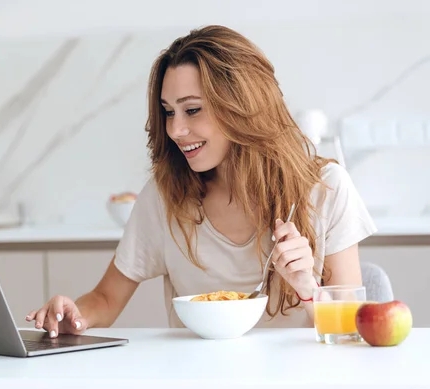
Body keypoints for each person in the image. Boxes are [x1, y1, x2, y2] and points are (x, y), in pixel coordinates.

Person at [26, 25, 377, 338]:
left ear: (242, 106)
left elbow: (349, 328)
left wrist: (305, 286)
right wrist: (74, 314)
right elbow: (105, 299)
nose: (176, 129)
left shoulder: (325, 188)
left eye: (192, 109)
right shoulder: (166, 198)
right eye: (168, 112)